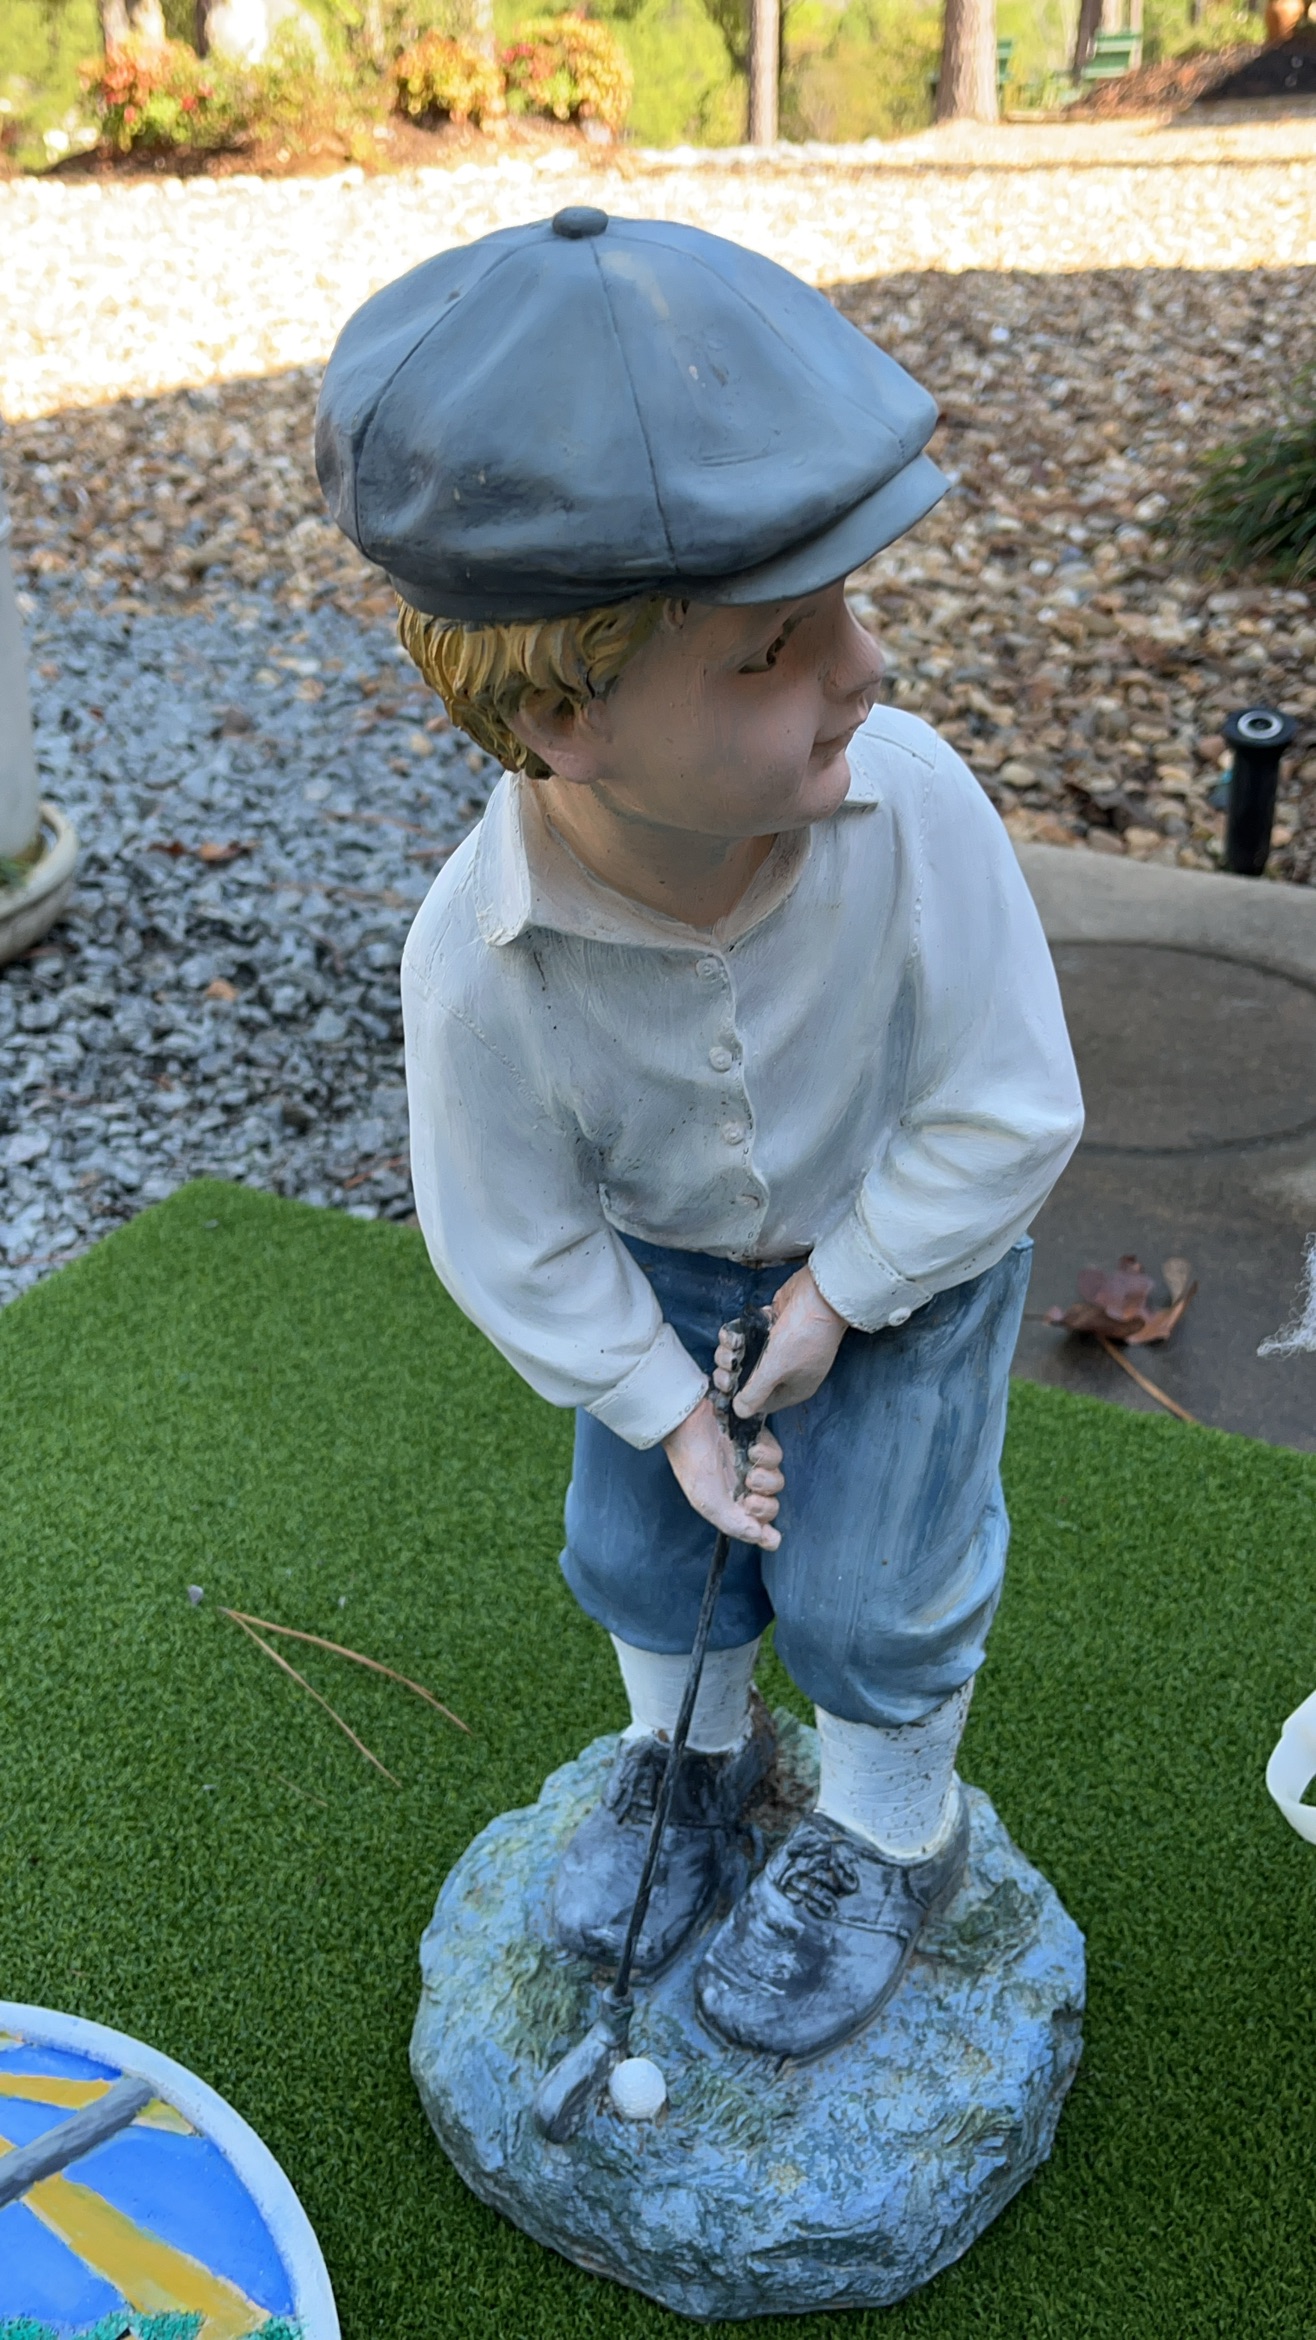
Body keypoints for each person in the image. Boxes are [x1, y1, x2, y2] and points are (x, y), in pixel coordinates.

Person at [316, 207, 1084, 2062]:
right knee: (646, 1553)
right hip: (659, 1285)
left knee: (877, 1584)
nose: (867, 667)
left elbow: (1007, 1105)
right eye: (776, 649)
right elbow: (508, 1229)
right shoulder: (481, 953)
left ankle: (887, 1832)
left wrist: (840, 1295)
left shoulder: (914, 816)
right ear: (561, 713)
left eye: (846, 609)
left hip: (906, 1257)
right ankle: (692, 1755)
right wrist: (666, 1406)